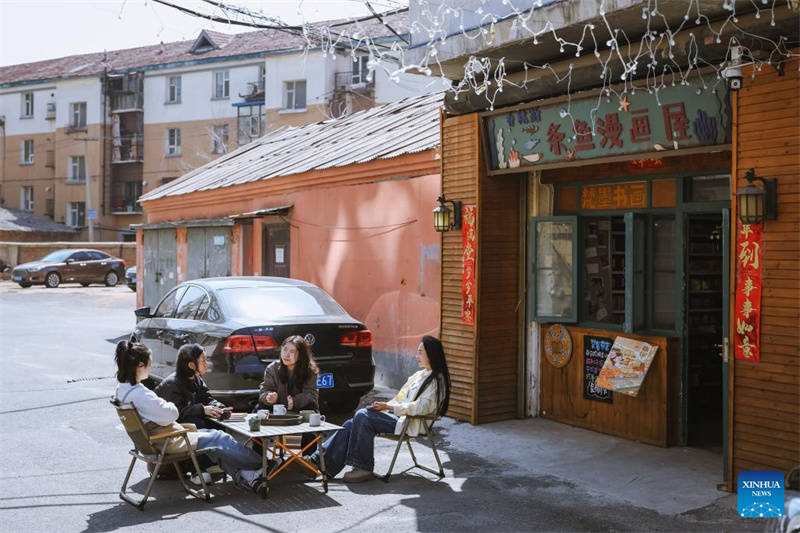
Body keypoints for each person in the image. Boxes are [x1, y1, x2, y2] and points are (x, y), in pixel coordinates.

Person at [113, 340, 266, 493]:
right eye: (149, 363)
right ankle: (262, 464)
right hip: (167, 441)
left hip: (153, 441)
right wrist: (175, 407)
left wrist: (217, 408)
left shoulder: (123, 390)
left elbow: (203, 398)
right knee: (218, 438)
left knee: (214, 441)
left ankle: (249, 475)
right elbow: (172, 413)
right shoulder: (142, 394)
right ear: (140, 366)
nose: (151, 366)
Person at [311, 335, 451, 483]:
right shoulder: (420, 375)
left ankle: (363, 467)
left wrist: (389, 406)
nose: (417, 356)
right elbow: (400, 399)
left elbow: (421, 408)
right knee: (351, 423)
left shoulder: (436, 380)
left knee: (362, 416)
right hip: (399, 416)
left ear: (431, 354)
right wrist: (382, 407)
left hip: (411, 422)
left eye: (420, 352)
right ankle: (319, 462)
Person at [155, 343, 228, 429]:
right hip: (168, 427)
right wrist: (202, 409)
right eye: (203, 360)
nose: (206, 364)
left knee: (218, 424)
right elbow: (177, 412)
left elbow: (206, 398)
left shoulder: (196, 378)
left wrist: (218, 407)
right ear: (191, 365)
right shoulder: (172, 384)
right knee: (197, 422)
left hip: (185, 421)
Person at [256, 335, 319, 413]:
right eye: (285, 350)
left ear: (300, 356)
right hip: (276, 409)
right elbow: (264, 390)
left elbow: (311, 395)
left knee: (312, 408)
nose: (286, 355)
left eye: (292, 352)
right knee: (261, 408)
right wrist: (268, 397)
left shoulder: (309, 370)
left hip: (300, 409)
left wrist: (295, 401)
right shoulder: (272, 368)